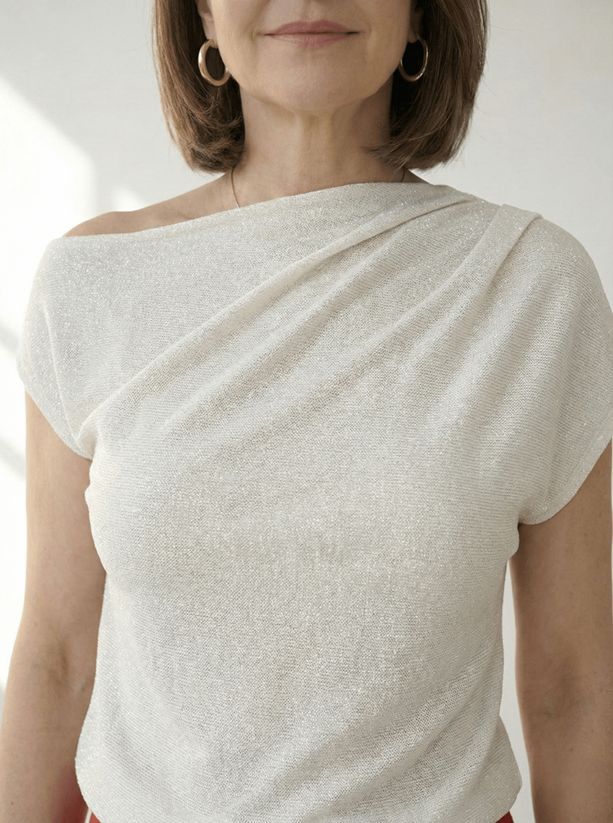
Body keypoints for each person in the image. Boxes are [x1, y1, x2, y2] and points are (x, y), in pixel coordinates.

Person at [0, 0, 612, 819]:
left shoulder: (531, 285)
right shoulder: (91, 284)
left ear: (420, 17)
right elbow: (55, 657)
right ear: (203, 19)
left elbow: (573, 683)